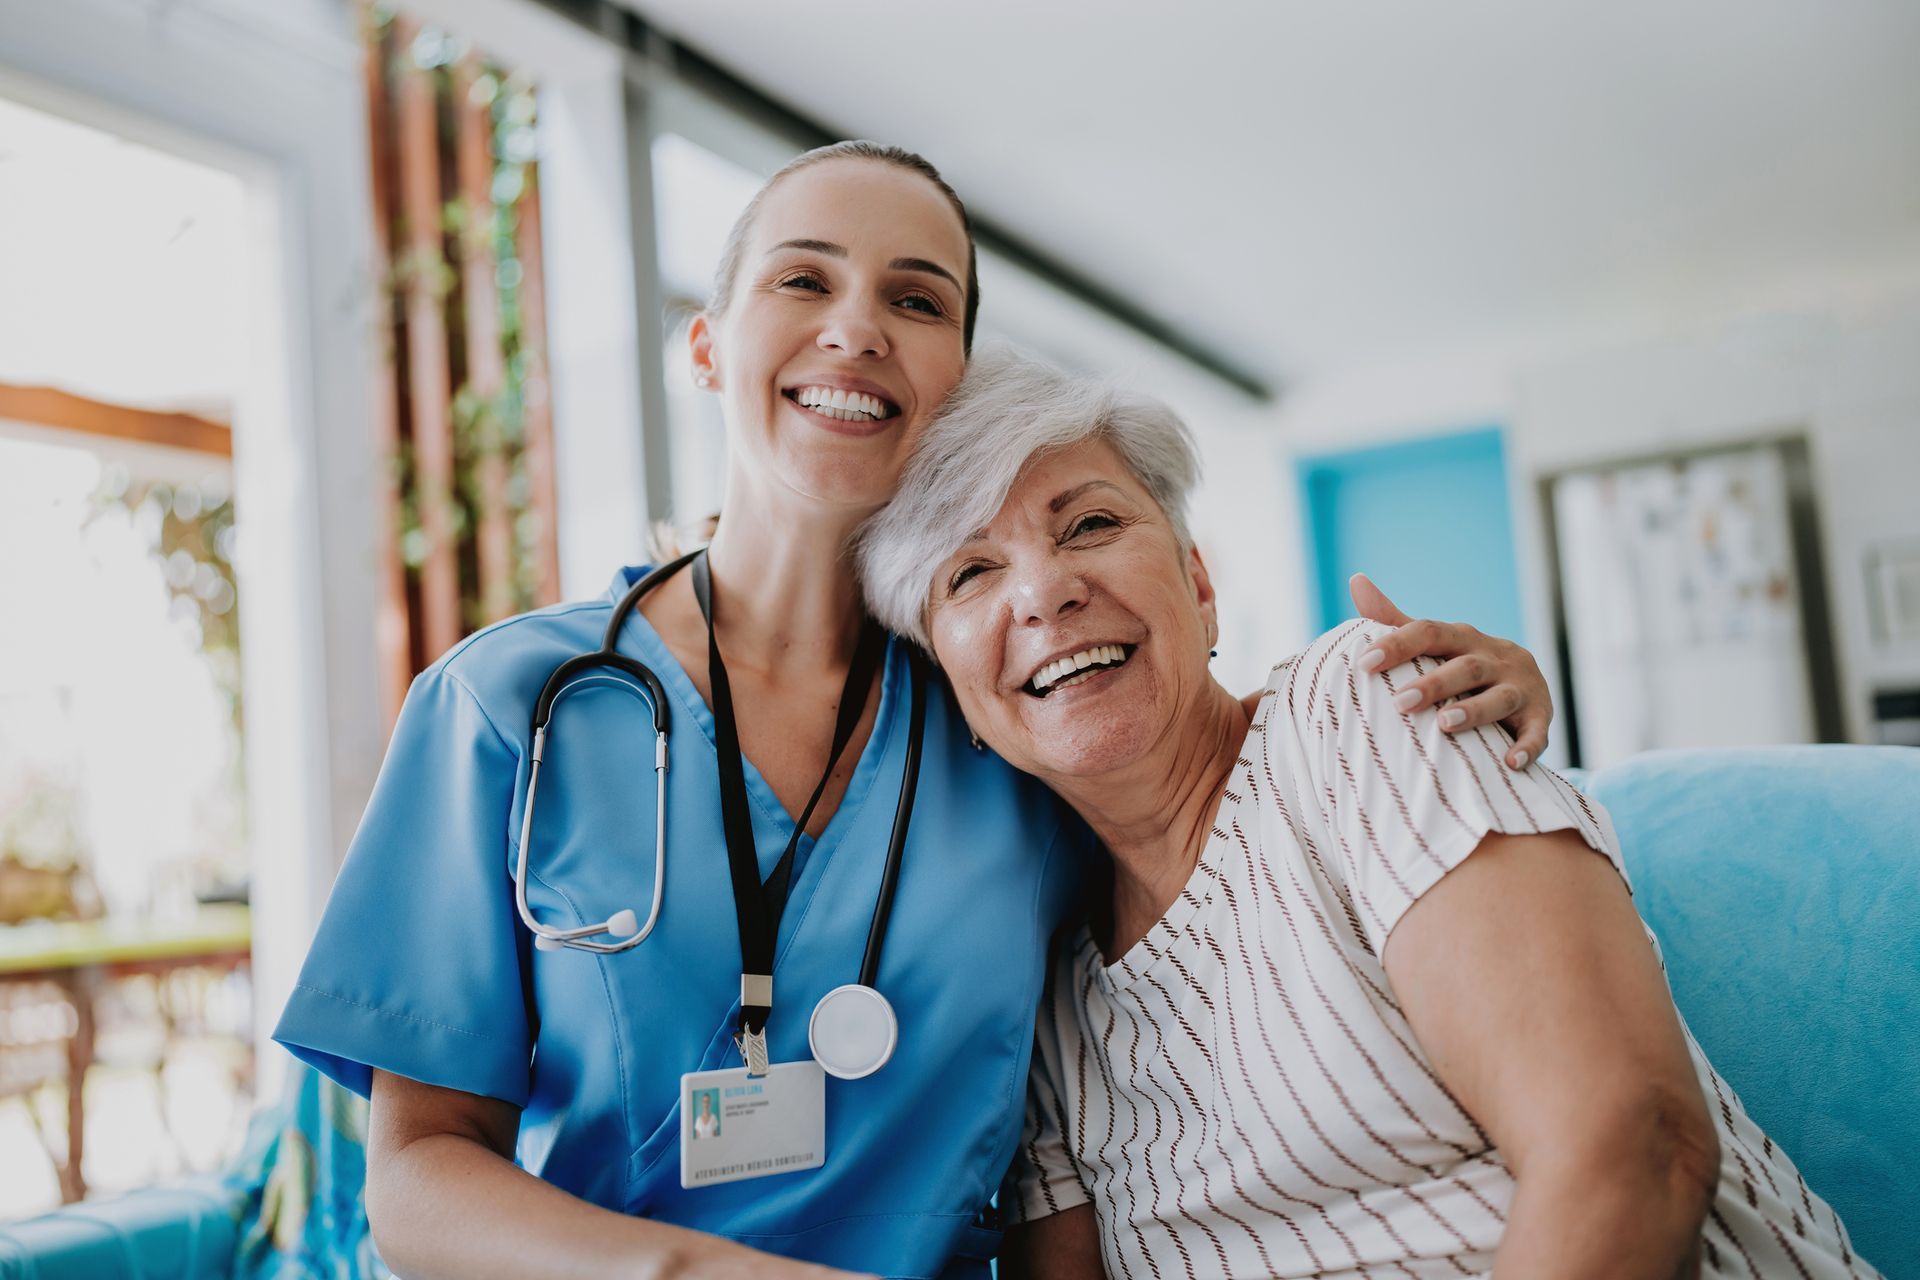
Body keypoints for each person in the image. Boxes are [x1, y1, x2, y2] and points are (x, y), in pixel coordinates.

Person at [274, 143, 1559, 1280]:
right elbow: (418, 1180)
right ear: (708, 344)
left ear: (953, 377)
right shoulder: (510, 706)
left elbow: (1216, 781)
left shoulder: (1005, 707)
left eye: (915, 298)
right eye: (803, 279)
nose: (856, 326)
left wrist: (1423, 695)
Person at [856, 347, 1882, 1280]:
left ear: (1198, 584)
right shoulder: (1041, 991)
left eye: (1090, 522)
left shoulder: (1357, 710)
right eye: (971, 572)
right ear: (949, 686)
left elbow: (1632, 1149)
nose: (1044, 591)